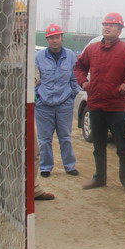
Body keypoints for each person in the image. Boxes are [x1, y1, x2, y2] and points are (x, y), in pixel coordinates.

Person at [74, 12, 125, 195]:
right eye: (105, 24)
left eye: (112, 25)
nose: (107, 27)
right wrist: (83, 82)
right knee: (98, 146)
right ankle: (99, 177)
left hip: (115, 107)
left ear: (120, 30)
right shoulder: (92, 49)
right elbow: (79, 66)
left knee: (122, 147)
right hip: (95, 104)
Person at [35, 24, 80, 177]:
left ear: (62, 38)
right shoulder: (39, 57)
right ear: (47, 39)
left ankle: (69, 166)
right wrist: (38, 97)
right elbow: (35, 79)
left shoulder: (70, 55)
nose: (54, 40)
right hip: (43, 104)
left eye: (57, 37)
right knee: (44, 139)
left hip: (64, 103)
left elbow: (74, 78)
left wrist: (72, 95)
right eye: (51, 38)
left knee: (65, 137)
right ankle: (46, 167)